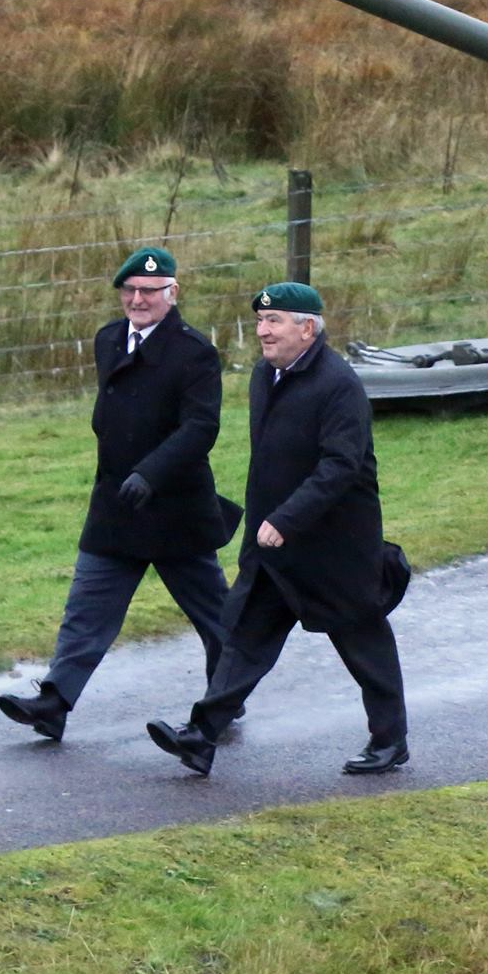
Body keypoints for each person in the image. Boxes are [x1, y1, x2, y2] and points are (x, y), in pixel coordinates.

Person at [146, 282, 410, 777]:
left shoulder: (338, 385)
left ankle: (390, 740)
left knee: (361, 641)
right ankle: (201, 736)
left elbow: (341, 466)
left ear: (307, 328)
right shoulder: (266, 377)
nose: (262, 332)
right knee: (244, 635)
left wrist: (287, 520)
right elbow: (268, 462)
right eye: (260, 322)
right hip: (271, 543)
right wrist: (260, 530)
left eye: (275, 322)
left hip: (335, 545)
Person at [0, 246, 240, 742]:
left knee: (216, 617)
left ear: (172, 293)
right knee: (87, 606)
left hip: (175, 508)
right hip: (116, 504)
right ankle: (54, 702)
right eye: (129, 290)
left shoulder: (195, 353)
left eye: (149, 291)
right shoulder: (109, 339)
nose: (137, 299)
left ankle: (224, 700)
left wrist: (151, 473)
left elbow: (200, 428)